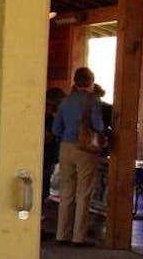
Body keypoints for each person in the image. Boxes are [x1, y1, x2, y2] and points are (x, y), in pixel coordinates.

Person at [51, 67, 105, 246]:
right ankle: (78, 237)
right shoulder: (93, 101)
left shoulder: (65, 101)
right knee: (84, 193)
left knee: (66, 193)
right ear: (91, 81)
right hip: (85, 149)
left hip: (66, 147)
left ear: (74, 81)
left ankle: (61, 234)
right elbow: (98, 125)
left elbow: (56, 129)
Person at [42, 87, 66, 206]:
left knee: (46, 176)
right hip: (49, 153)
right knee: (45, 176)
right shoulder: (50, 118)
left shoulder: (50, 118)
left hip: (50, 153)